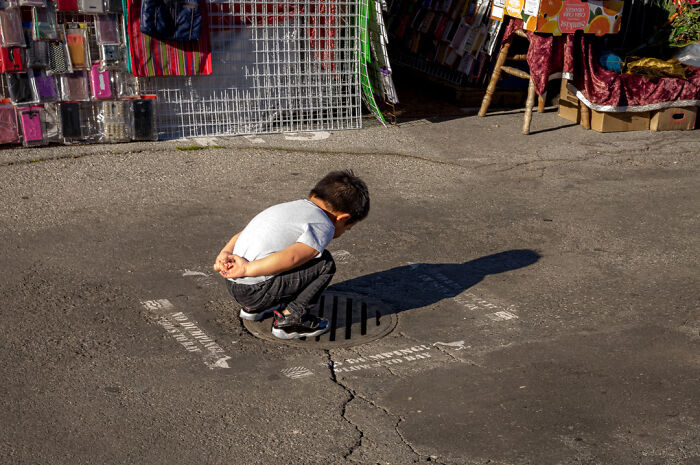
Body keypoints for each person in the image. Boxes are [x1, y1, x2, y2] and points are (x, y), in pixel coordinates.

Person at [213, 170, 370, 340]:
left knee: (294, 255)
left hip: (233, 282)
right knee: (324, 263)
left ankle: (254, 308)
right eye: (348, 228)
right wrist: (247, 269)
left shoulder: (291, 208)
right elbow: (293, 257)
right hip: (254, 289)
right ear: (343, 218)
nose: (344, 231)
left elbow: (242, 234)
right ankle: (290, 318)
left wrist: (226, 252)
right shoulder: (324, 225)